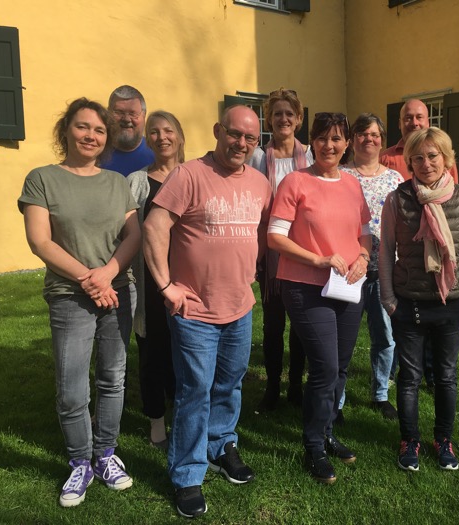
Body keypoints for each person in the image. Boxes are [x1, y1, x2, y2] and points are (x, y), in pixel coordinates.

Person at [143, 105, 271, 518]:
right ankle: (187, 474)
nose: (241, 143)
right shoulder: (189, 175)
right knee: (194, 392)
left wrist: (249, 272)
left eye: (250, 138)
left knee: (229, 385)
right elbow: (154, 227)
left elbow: (259, 232)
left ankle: (220, 446)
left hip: (240, 307)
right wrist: (165, 285)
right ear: (218, 131)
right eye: (234, 134)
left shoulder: (259, 183)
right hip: (195, 310)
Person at [18, 97, 140, 507]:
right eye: (83, 126)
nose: (91, 135)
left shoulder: (117, 183)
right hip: (70, 295)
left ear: (107, 138)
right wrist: (90, 279)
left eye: (99, 130)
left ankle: (105, 454)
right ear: (66, 130)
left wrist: (108, 274)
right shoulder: (42, 179)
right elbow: (40, 241)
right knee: (72, 387)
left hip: (117, 291)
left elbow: (134, 235)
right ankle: (79, 462)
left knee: (112, 378)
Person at [268, 112, 372, 484]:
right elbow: (275, 237)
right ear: (312, 141)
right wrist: (319, 259)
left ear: (347, 144)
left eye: (337, 138)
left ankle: (327, 432)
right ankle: (313, 445)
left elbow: (364, 232)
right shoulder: (295, 182)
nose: (330, 145)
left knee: (340, 366)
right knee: (325, 366)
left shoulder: (352, 184)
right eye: (323, 138)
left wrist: (363, 257)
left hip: (348, 286)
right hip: (305, 286)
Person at [379, 127, 459, 473]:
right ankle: (409, 440)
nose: (426, 163)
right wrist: (389, 300)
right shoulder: (396, 200)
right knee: (409, 377)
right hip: (408, 304)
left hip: (451, 305)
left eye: (433, 156)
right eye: (418, 157)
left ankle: (443, 440)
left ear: (446, 158)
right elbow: (386, 251)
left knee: (446, 376)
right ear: (410, 162)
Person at [380, 99, 459, 389]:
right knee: (404, 319)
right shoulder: (387, 157)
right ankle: (399, 371)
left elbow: (451, 196)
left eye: (419, 117)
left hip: (434, 243)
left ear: (427, 121)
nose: (413, 122)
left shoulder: (440, 155)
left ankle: (432, 373)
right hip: (403, 239)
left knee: (434, 309)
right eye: (408, 118)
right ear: (400, 123)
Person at [249, 88, 312, 413]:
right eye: (277, 114)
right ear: (268, 120)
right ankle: (273, 387)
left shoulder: (311, 156)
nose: (283, 119)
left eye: (289, 113)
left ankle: (296, 387)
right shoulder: (259, 158)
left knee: (300, 323)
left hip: (304, 250)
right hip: (272, 253)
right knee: (273, 325)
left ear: (298, 119)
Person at [127, 110, 186, 450]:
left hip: (189, 280)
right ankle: (156, 424)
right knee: (153, 352)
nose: (162, 137)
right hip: (149, 282)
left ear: (180, 135)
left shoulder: (194, 175)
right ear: (147, 139)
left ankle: (184, 414)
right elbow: (127, 233)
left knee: (187, 351)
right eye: (154, 132)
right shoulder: (136, 182)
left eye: (168, 130)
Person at [341, 113, 404, 421]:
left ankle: (380, 394)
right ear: (353, 140)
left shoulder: (395, 179)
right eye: (362, 133)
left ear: (382, 140)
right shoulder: (340, 175)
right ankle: (337, 399)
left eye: (375, 134)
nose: (369, 139)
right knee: (342, 340)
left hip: (385, 271)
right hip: (348, 272)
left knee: (385, 337)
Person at [103, 85, 156, 176]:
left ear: (144, 115)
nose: (126, 119)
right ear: (108, 114)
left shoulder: (158, 155)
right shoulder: (95, 154)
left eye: (133, 113)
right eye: (119, 112)